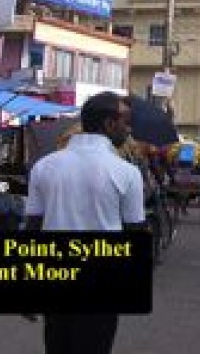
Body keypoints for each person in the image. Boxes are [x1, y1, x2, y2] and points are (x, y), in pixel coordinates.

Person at [25, 92, 145, 354]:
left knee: (57, 347)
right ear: (109, 124)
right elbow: (134, 232)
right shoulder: (126, 172)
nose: (129, 127)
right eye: (126, 121)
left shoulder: (44, 166)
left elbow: (32, 229)